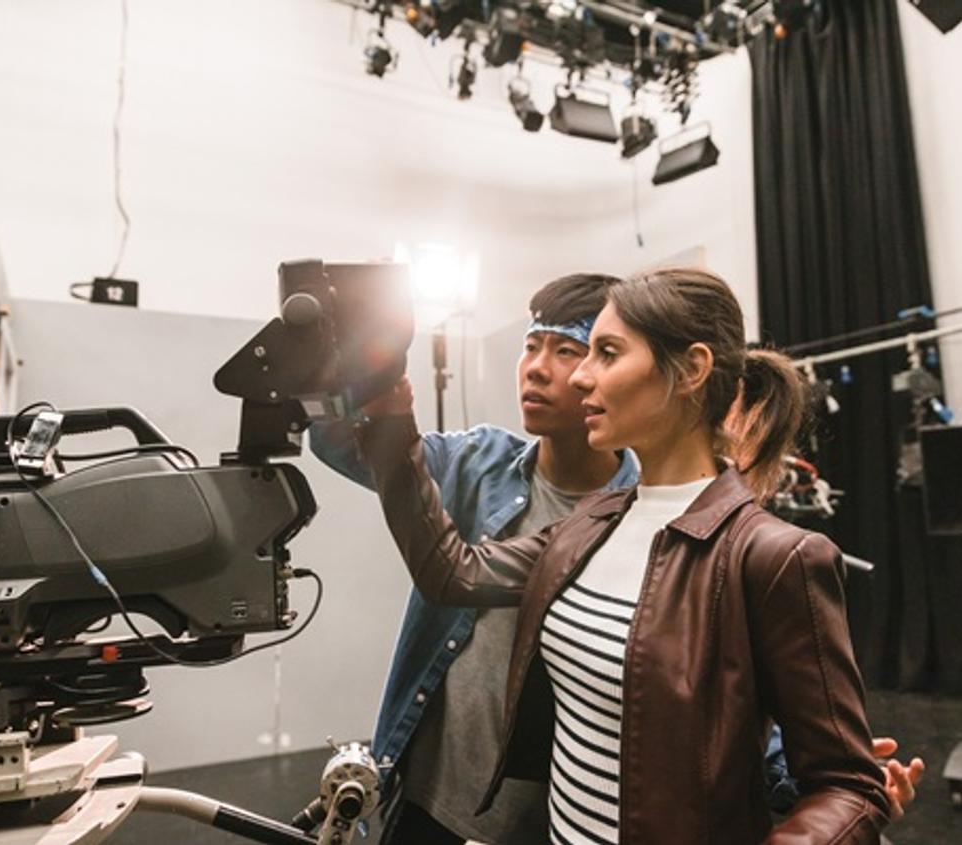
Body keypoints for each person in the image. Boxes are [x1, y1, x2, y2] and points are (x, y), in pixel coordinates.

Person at [311, 271, 921, 844]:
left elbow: (837, 780)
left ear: (690, 371)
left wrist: (817, 805)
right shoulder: (592, 527)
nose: (575, 378)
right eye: (543, 348)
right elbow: (453, 572)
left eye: (602, 354)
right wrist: (385, 409)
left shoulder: (774, 555)